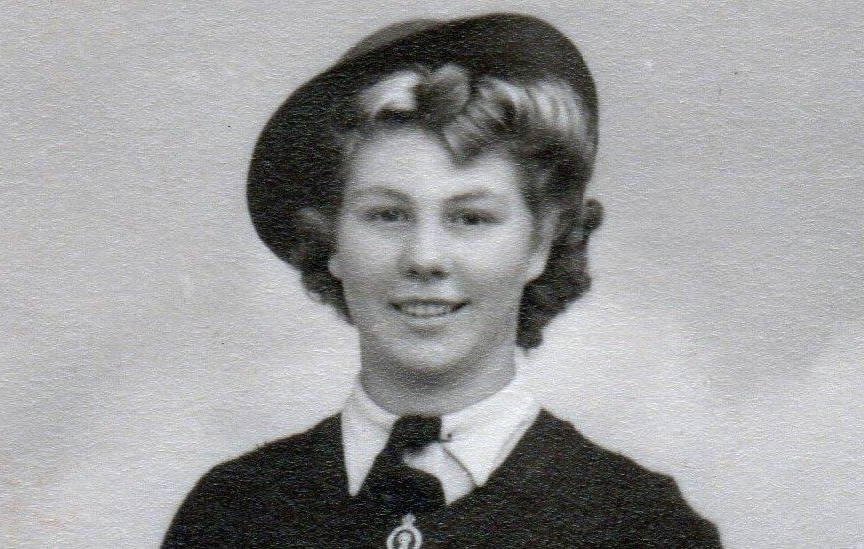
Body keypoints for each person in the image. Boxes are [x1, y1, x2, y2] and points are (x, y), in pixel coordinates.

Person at [163, 13, 722, 548]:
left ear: (540, 243)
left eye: (471, 219)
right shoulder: (233, 514)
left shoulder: (642, 527)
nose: (424, 259)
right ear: (331, 241)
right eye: (386, 215)